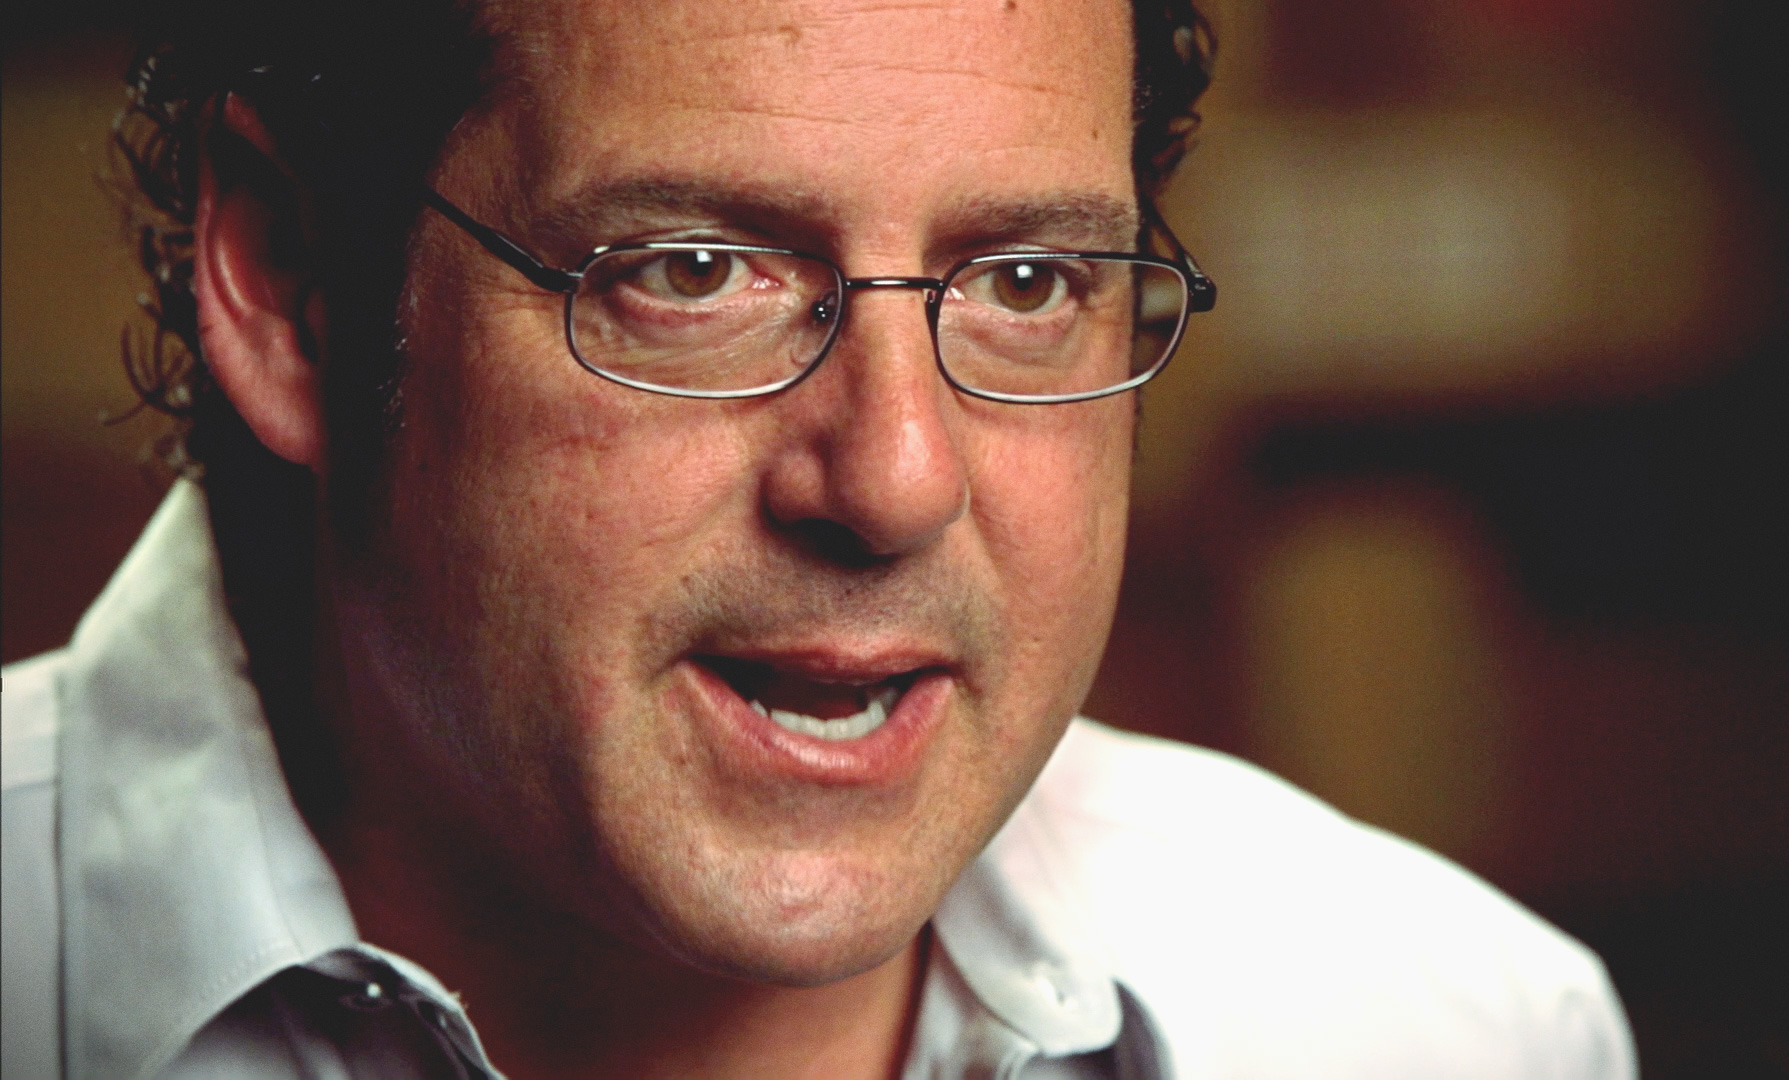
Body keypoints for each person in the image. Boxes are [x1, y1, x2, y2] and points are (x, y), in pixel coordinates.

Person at [1, 1, 1636, 1077]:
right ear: (292, 284)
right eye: (694, 272)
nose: (897, 479)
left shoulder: (1446, 1032)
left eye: (1026, 284)